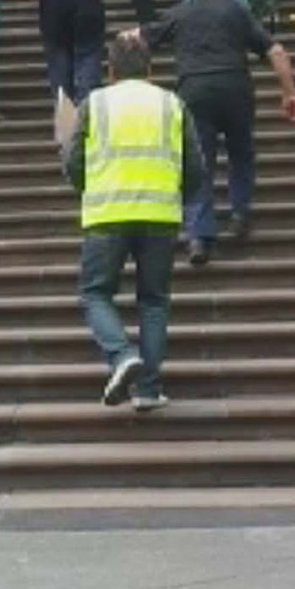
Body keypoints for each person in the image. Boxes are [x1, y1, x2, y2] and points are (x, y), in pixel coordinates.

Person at [130, 0, 295, 267]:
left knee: (198, 162)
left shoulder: (181, 12)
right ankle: (239, 214)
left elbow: (136, 40)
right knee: (241, 153)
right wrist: (289, 93)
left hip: (194, 90)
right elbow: (276, 51)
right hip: (236, 88)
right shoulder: (237, 11)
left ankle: (199, 235)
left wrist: (138, 81)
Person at [62, 37, 205, 410]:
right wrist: (180, 198)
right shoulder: (172, 104)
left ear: (110, 70)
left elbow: (73, 159)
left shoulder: (95, 103)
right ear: (150, 69)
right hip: (160, 215)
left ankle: (121, 354)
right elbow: (195, 165)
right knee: (154, 301)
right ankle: (148, 390)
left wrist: (87, 189)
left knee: (95, 293)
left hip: (107, 213)